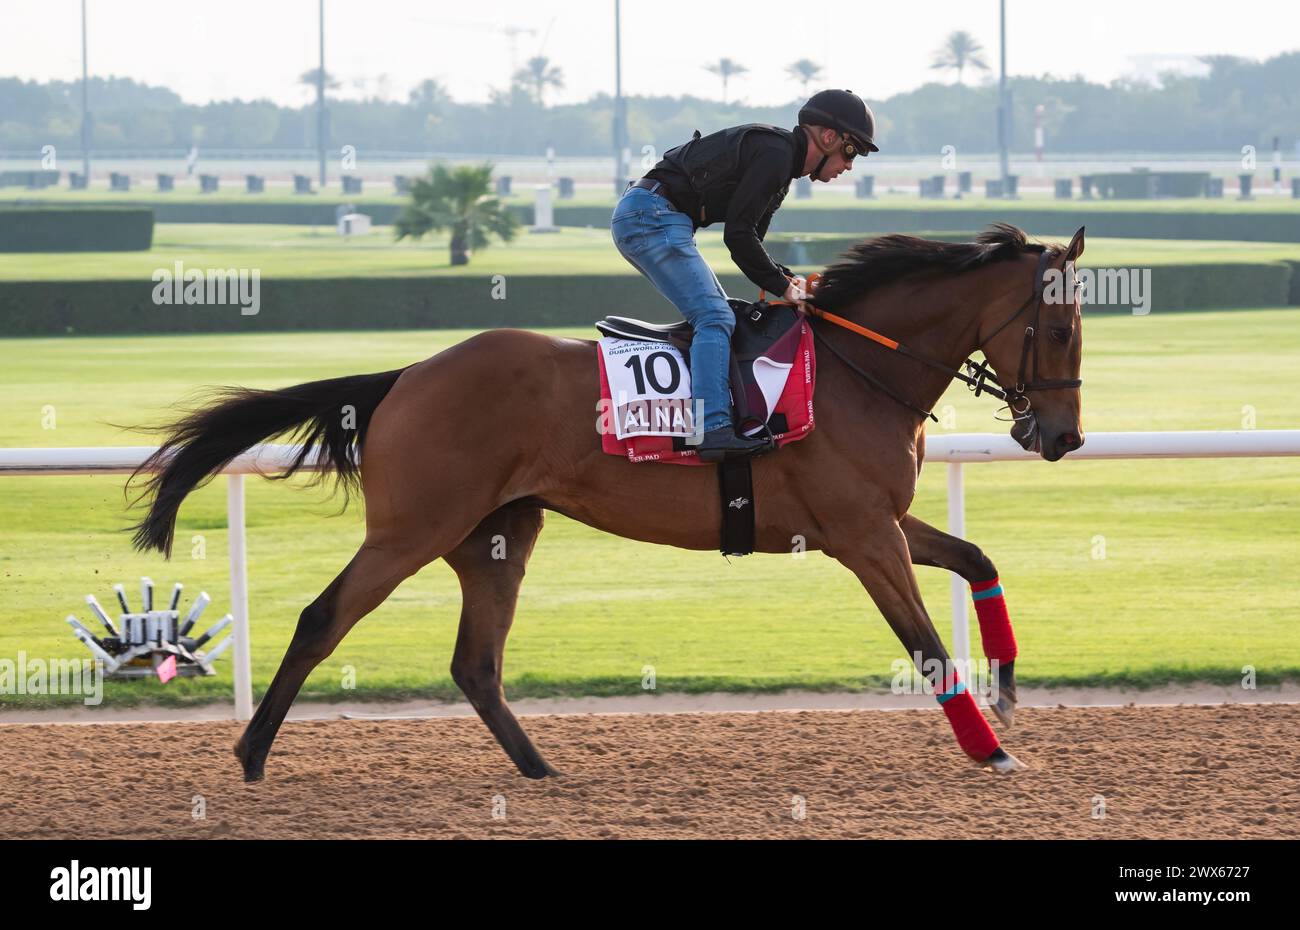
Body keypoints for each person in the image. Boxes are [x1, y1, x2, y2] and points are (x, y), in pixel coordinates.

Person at [610, 89, 878, 462]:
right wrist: (785, 287)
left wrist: (790, 282)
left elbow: (751, 244)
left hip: (651, 214)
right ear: (828, 137)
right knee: (715, 317)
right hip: (652, 215)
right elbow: (737, 236)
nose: (849, 165)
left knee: (722, 315)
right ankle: (714, 429)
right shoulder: (776, 153)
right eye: (852, 151)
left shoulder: (782, 167)